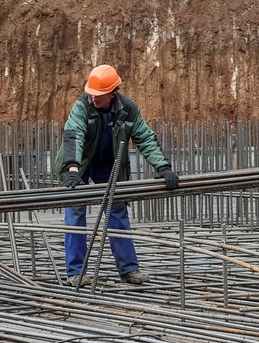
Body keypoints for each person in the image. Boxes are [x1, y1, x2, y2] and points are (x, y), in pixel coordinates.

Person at [57, 64, 179, 287]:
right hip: (81, 164)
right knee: (75, 211)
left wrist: (163, 167)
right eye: (91, 94)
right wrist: (72, 169)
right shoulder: (82, 106)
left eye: (99, 95)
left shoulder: (128, 110)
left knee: (117, 210)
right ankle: (76, 272)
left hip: (109, 164)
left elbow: (145, 138)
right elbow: (73, 135)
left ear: (113, 93)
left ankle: (128, 270)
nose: (94, 98)